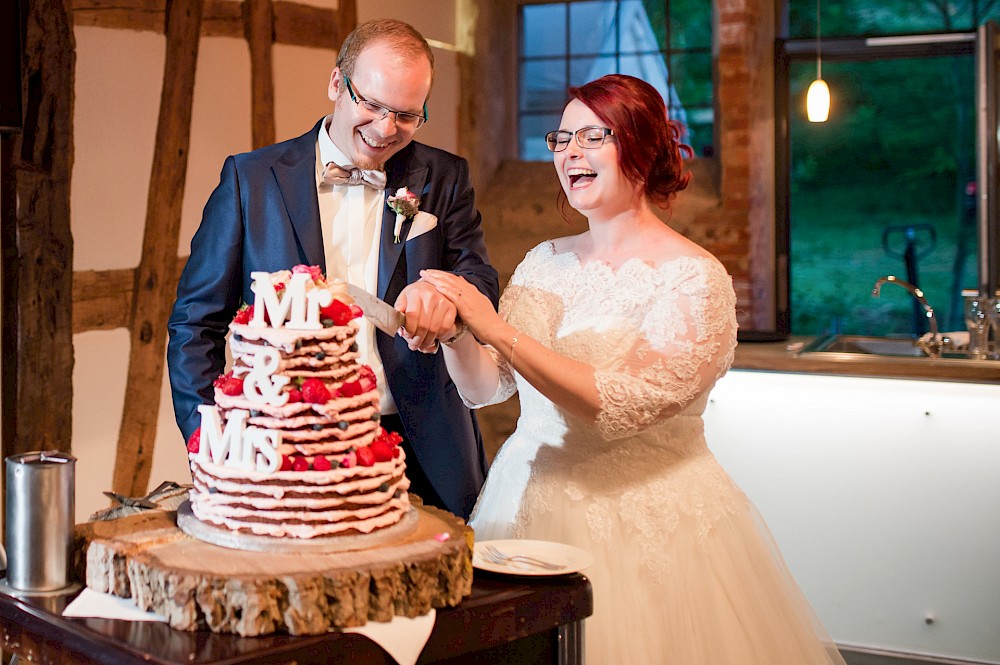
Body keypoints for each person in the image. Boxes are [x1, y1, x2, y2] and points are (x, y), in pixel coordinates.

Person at [420, 74, 848, 663]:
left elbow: (620, 405)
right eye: (560, 139)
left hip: (648, 520)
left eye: (591, 136)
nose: (570, 152)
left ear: (641, 147)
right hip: (525, 501)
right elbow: (484, 388)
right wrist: (453, 335)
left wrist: (494, 327)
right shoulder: (543, 263)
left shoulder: (693, 277)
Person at [166, 18, 499, 521]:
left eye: (406, 116)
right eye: (372, 104)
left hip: (428, 450)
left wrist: (448, 299)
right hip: (287, 452)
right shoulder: (250, 180)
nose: (386, 130)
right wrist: (212, 438)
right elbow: (195, 324)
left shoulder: (446, 177)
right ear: (336, 83)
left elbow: (480, 280)